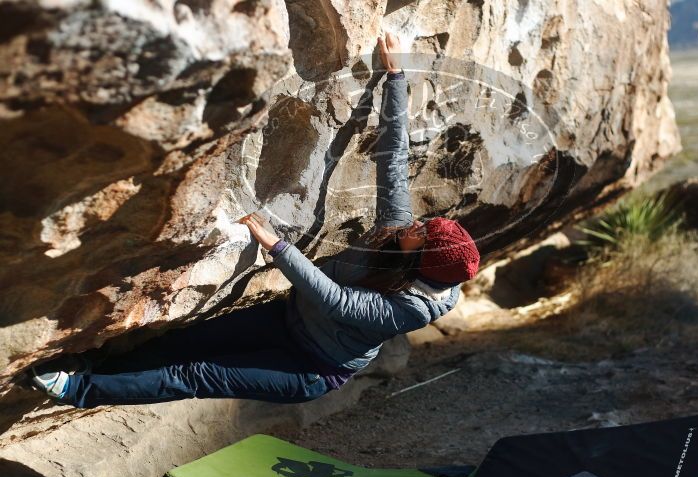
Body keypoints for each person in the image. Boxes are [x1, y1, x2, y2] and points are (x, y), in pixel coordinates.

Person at [30, 32, 480, 408]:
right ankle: (99, 371)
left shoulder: (412, 308)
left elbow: (340, 304)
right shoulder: (401, 234)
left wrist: (275, 243)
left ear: (418, 262)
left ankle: (79, 390)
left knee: (198, 373)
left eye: (422, 234)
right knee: (183, 344)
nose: (416, 225)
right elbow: (393, 160)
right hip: (287, 319)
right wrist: (395, 78)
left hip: (312, 368)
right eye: (426, 224)